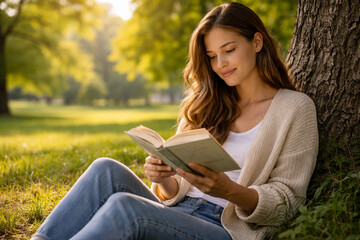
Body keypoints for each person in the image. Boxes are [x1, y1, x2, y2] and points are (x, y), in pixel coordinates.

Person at [30, 2, 318, 240]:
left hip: (224, 228)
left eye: (229, 50)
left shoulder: (294, 108)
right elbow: (174, 192)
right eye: (212, 56)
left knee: (126, 208)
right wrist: (164, 178)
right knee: (104, 168)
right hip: (176, 212)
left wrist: (228, 190)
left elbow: (288, 203)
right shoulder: (206, 103)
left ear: (257, 42)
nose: (220, 65)